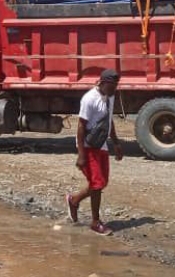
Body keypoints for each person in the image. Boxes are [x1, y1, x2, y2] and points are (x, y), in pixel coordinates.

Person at [66, 69, 123, 236]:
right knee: (97, 183)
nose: (114, 89)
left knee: (102, 182)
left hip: (101, 144)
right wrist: (81, 154)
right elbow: (81, 126)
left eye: (116, 86)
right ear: (103, 83)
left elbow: (109, 120)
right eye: (112, 86)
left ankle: (74, 200)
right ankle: (95, 222)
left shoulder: (110, 96)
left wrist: (116, 143)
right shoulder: (89, 99)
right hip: (88, 145)